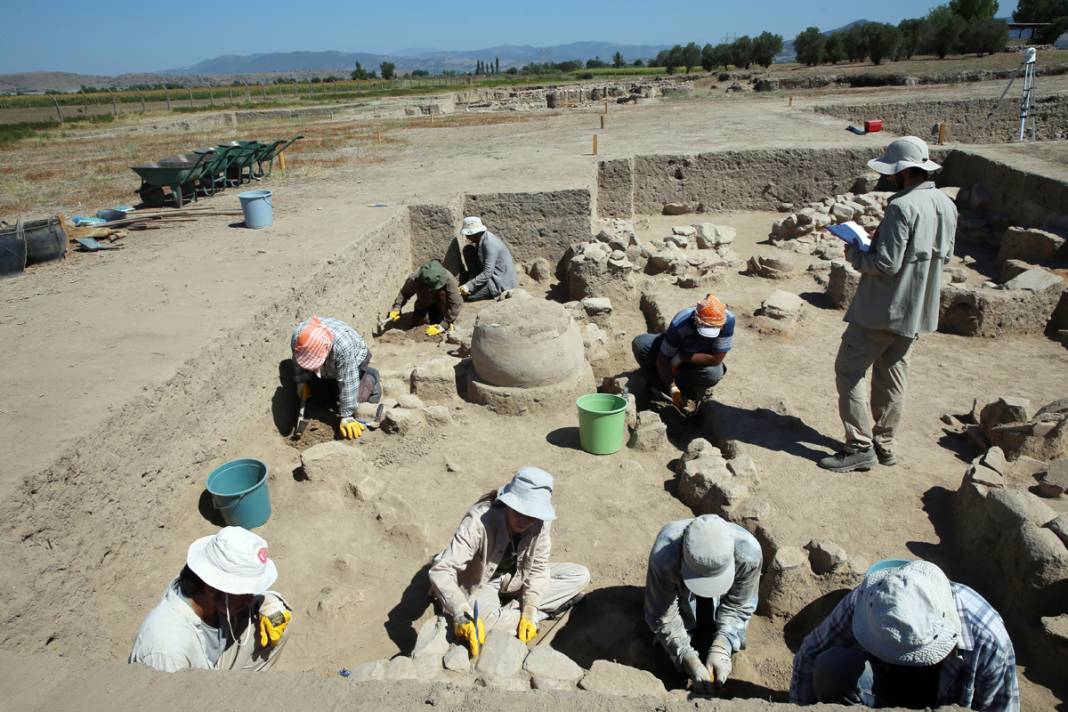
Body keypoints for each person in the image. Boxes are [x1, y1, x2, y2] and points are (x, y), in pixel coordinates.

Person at [820, 136, 957, 472]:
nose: (889, 176)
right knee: (892, 377)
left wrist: (856, 253)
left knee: (849, 370)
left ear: (904, 172)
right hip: (916, 311)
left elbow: (886, 264)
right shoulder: (946, 204)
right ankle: (885, 445)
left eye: (892, 171)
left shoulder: (902, 207)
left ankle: (859, 447)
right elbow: (944, 255)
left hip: (883, 310)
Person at [790, 560, 1018, 710]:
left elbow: (1000, 708)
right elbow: (810, 654)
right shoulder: (874, 599)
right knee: (833, 667)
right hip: (884, 684)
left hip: (939, 698)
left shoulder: (989, 641)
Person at [428, 467, 590, 655]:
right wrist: (460, 610)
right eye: (519, 513)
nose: (524, 521)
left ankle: (521, 614)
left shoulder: (540, 522)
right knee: (484, 623)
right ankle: (541, 611)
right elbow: (441, 570)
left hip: (518, 576)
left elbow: (538, 568)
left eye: (531, 516)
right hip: (482, 584)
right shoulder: (479, 520)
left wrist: (530, 609)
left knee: (580, 575)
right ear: (508, 504)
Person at [129, 527, 292, 672]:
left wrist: (268, 602)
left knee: (278, 621)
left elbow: (253, 603)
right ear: (212, 588)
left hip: (210, 669)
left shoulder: (204, 597)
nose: (250, 600)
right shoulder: (167, 650)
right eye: (244, 592)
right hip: (190, 691)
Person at [644, 514, 761, 694]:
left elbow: (739, 605)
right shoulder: (664, 558)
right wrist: (687, 657)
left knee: (728, 638)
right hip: (680, 597)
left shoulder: (748, 554)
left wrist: (722, 645)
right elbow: (663, 615)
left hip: (722, 601)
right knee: (665, 652)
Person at [631, 294, 734, 408]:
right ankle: (659, 382)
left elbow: (716, 358)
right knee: (641, 343)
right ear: (696, 320)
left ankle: (686, 387)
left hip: (698, 361)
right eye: (704, 329)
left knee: (714, 373)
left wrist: (682, 357)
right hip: (675, 349)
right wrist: (672, 388)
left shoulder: (727, 320)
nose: (706, 337)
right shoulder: (680, 323)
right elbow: (663, 358)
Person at [291, 316, 380, 440]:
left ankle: (370, 376)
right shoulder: (298, 338)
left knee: (356, 402)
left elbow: (348, 382)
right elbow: (297, 360)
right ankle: (334, 387)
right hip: (329, 369)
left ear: (326, 350)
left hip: (353, 362)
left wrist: (347, 416)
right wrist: (301, 382)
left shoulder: (343, 347)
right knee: (317, 399)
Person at [387, 259, 463, 336]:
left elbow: (456, 303)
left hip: (441, 304)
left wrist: (444, 324)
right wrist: (397, 307)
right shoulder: (415, 278)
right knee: (418, 324)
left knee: (443, 295)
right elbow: (404, 293)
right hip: (424, 301)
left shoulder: (448, 278)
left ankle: (443, 316)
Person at [458, 216, 518, 302]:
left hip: (499, 282)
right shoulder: (482, 239)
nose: (467, 237)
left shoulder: (490, 244)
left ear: (476, 233)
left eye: (468, 235)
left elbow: (487, 273)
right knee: (468, 250)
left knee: (467, 296)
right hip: (491, 275)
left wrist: (468, 286)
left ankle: (483, 288)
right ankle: (474, 281)